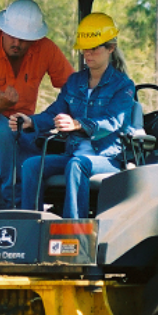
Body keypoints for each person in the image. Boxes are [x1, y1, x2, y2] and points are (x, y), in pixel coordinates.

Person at [10, 13, 135, 219]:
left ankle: (73, 229)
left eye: (94, 48)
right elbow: (54, 112)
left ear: (110, 49)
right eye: (85, 49)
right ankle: (30, 225)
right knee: (32, 165)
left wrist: (77, 124)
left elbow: (113, 122)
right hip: (73, 154)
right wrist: (31, 121)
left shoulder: (123, 85)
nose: (88, 54)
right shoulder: (75, 81)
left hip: (108, 158)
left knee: (76, 165)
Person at [0, 0, 74, 208]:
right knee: (1, 131)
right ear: (2, 30)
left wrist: (56, 118)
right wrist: (3, 104)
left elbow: (74, 88)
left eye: (24, 39)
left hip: (21, 123)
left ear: (35, 38)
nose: (17, 43)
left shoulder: (45, 49)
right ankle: (13, 204)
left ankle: (41, 208)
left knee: (48, 143)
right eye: (13, 36)